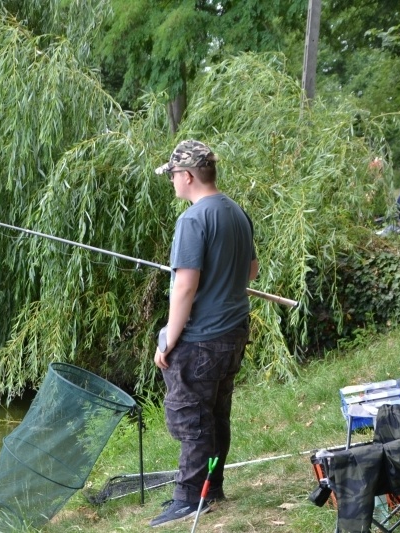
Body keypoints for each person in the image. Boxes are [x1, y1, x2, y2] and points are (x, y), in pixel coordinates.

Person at [150, 140, 258, 527]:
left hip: (202, 339)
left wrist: (169, 338)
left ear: (188, 175)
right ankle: (211, 487)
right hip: (234, 332)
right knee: (216, 415)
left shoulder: (193, 220)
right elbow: (251, 272)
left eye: (174, 175)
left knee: (192, 420)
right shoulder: (236, 211)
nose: (173, 182)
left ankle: (189, 498)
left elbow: (184, 287)